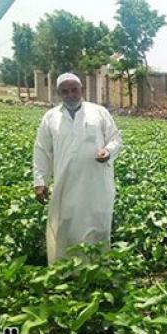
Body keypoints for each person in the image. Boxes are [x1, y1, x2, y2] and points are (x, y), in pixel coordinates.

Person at [33, 73, 123, 265]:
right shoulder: (50, 117)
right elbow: (42, 151)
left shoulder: (99, 112)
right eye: (65, 91)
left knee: (97, 226)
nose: (70, 94)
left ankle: (96, 272)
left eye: (74, 89)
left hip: (96, 184)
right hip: (66, 183)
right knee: (65, 224)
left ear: (81, 89)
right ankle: (66, 273)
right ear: (59, 94)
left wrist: (107, 151)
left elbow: (115, 138)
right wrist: (40, 181)